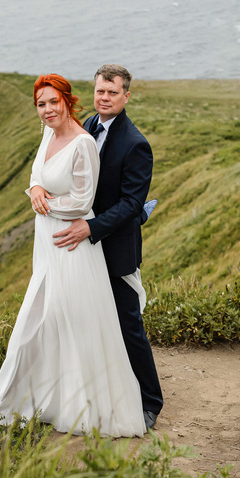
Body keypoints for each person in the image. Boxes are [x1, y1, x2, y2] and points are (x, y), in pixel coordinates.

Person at [0, 73, 146, 435]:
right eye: (41, 104)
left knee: (80, 323)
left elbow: (84, 202)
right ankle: (44, 397)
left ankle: (102, 404)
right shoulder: (51, 132)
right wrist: (35, 189)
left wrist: (46, 205)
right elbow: (38, 174)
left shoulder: (93, 141)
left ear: (67, 100)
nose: (47, 109)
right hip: (47, 246)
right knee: (48, 320)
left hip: (72, 244)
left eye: (54, 101)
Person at [51, 64, 162, 429]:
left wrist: (91, 226)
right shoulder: (88, 124)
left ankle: (150, 401)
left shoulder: (135, 144)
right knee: (92, 321)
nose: (105, 98)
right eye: (100, 91)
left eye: (113, 93)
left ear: (126, 96)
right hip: (85, 248)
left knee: (128, 324)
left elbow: (131, 204)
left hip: (115, 248)